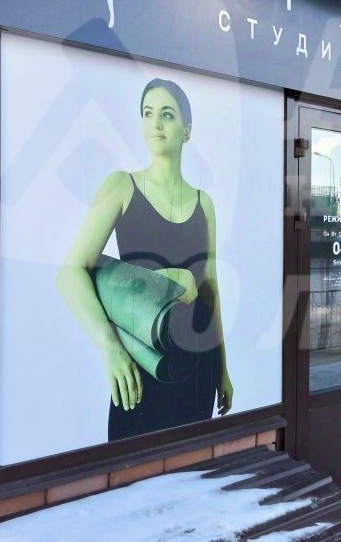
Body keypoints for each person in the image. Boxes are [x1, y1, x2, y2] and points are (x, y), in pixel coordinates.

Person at [56, 79, 233, 441]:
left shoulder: (205, 204)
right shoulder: (122, 186)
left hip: (198, 369)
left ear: (187, 130)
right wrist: (110, 349)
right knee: (133, 469)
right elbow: (70, 272)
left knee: (192, 466)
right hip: (141, 368)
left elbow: (211, 290)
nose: (156, 123)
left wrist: (223, 370)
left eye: (167, 114)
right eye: (148, 113)